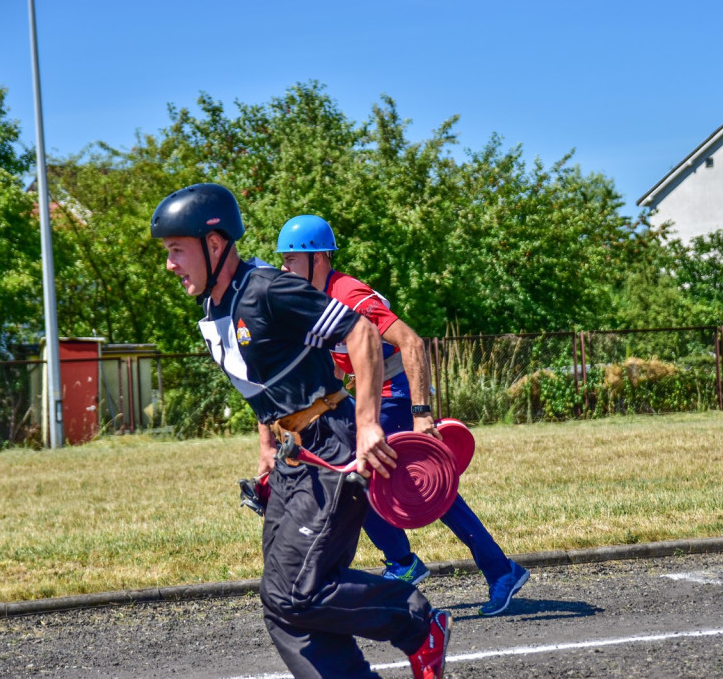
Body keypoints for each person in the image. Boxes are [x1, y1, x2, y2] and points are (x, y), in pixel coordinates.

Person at [151, 184, 450, 679]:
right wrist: (267, 448)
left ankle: (418, 623)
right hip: (295, 455)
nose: (170, 264)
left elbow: (361, 332)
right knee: (280, 600)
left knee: (298, 590)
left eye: (177, 250)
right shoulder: (216, 307)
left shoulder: (267, 289)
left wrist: (368, 425)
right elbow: (260, 382)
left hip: (332, 445)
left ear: (215, 243)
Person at [268, 213, 530, 617]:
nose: (284, 269)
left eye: (290, 260)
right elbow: (339, 365)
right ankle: (454, 566)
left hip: (397, 395)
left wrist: (422, 413)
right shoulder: (316, 299)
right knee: (383, 482)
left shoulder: (350, 295)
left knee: (380, 479)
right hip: (372, 396)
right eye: (283, 261)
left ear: (317, 258)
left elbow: (411, 342)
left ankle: (427, 565)